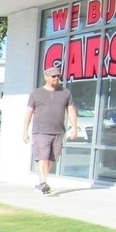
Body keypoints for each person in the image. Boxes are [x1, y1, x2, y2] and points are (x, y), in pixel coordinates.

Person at [23, 66, 79, 194]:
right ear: (46, 77)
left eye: (58, 76)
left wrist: (74, 127)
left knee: (49, 159)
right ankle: (43, 182)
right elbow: (29, 112)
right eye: (53, 76)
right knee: (42, 157)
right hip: (40, 131)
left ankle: (42, 182)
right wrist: (25, 131)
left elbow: (71, 110)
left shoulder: (65, 93)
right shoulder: (36, 93)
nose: (56, 78)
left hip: (58, 132)